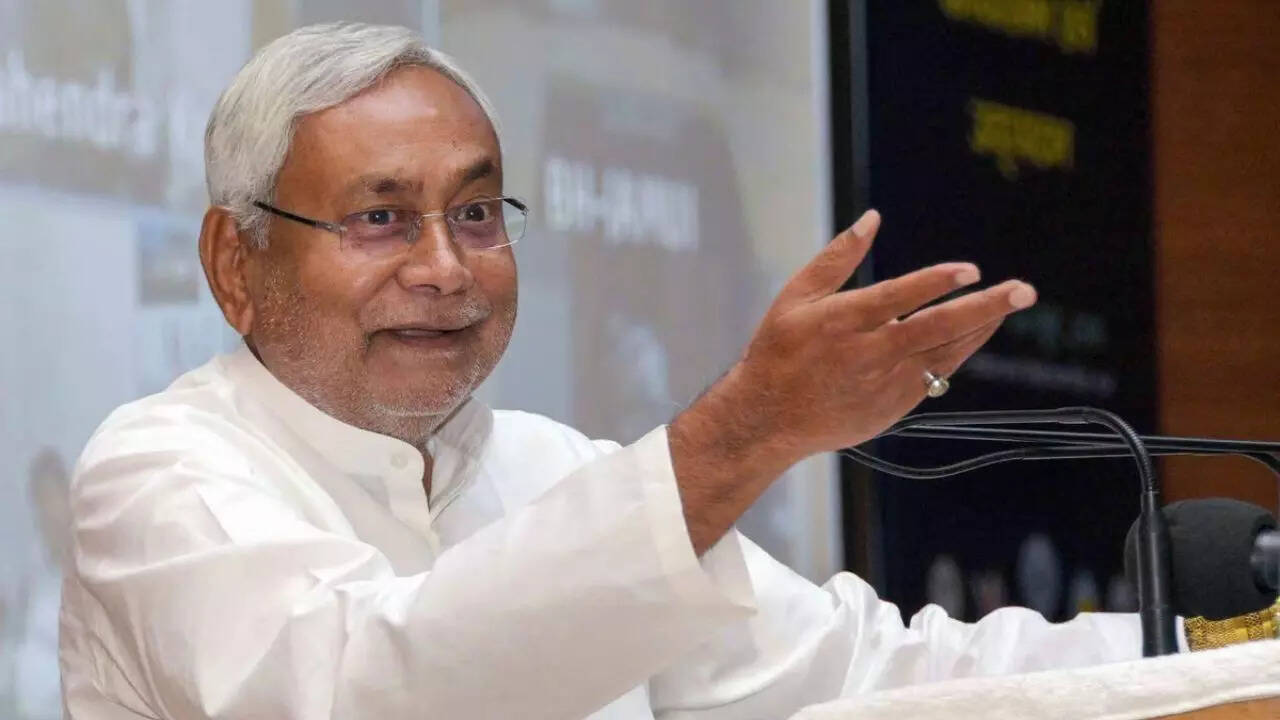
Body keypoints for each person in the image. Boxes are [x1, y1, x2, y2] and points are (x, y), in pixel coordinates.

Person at [59, 23, 1162, 720]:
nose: (445, 268)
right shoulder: (161, 471)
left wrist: (1206, 646)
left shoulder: (548, 468)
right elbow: (375, 687)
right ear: (235, 264)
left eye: (476, 213)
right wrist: (741, 433)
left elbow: (879, 676)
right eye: (381, 218)